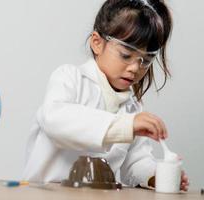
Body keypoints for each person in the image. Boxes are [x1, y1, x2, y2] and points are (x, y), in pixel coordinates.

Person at [23, 0, 189, 190]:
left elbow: (135, 162)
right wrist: (125, 126)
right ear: (97, 43)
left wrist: (154, 176)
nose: (135, 68)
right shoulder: (70, 77)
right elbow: (55, 119)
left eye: (146, 60)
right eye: (126, 55)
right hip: (47, 194)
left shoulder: (132, 108)